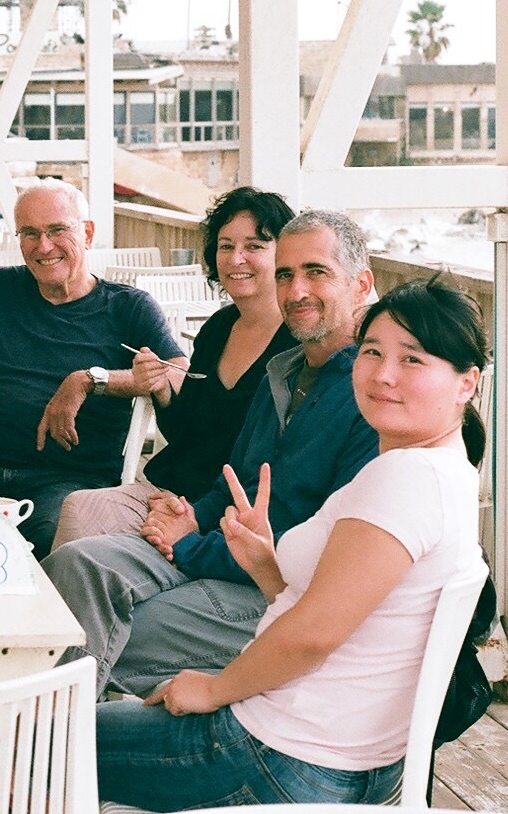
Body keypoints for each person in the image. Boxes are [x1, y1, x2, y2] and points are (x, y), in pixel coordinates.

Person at [96, 276, 487, 808]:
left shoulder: (405, 479)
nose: (384, 374)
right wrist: (265, 566)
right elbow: (348, 615)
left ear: (466, 383)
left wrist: (213, 689)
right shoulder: (444, 470)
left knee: (30, 740)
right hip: (338, 756)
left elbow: (313, 635)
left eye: (413, 359)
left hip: (281, 756)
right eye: (372, 351)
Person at [43, 209, 380, 697]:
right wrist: (194, 516)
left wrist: (189, 544)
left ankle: (57, 733)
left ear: (360, 285)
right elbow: (233, 479)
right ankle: (56, 726)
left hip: (277, 590)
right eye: (286, 274)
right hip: (218, 549)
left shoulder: (370, 396)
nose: (296, 290)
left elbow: (311, 548)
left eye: (316, 272)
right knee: (75, 564)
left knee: (100, 627)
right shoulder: (282, 373)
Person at [0, 179, 185, 559]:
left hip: (68, 485)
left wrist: (90, 380)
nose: (43, 246)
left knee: (59, 556)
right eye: (30, 233)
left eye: (57, 230)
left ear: (88, 233)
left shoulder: (128, 308)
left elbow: (178, 375)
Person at [51, 187, 297, 547]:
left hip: (228, 511)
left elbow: (279, 458)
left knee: (88, 548)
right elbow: (187, 430)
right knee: (79, 508)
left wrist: (196, 512)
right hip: (172, 490)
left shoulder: (296, 344)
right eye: (225, 246)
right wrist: (162, 388)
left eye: (254, 246)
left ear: (285, 254)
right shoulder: (218, 328)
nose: (236, 259)